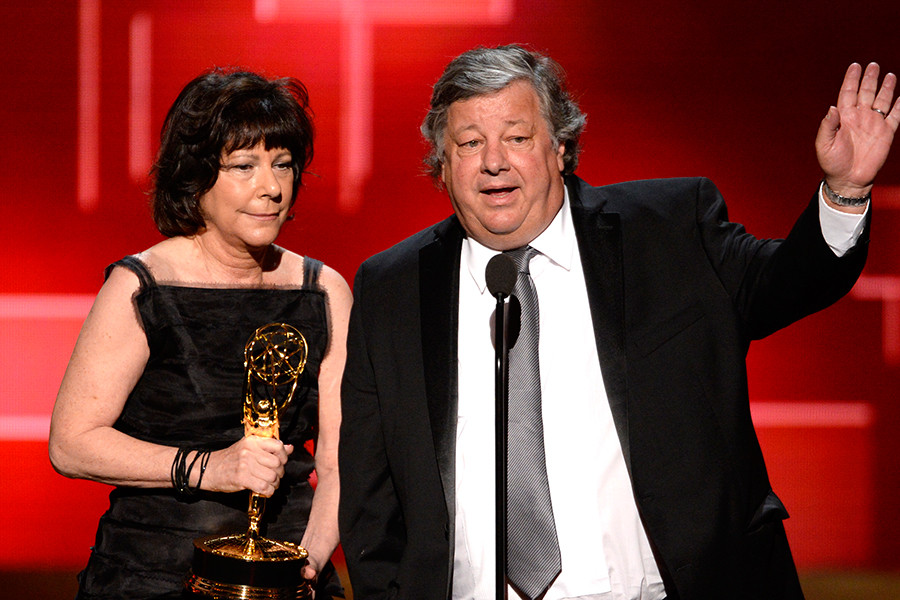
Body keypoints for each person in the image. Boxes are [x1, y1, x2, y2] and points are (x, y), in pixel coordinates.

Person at [337, 44, 898, 600]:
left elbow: (786, 283)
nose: (493, 162)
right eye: (469, 144)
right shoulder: (392, 288)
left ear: (559, 146)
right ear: (442, 164)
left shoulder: (671, 231)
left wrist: (844, 192)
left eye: (516, 136)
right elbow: (371, 499)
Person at [49, 68, 352, 599]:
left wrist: (310, 561)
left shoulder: (325, 291)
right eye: (244, 166)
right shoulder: (142, 286)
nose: (271, 187)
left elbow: (338, 458)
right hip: (154, 575)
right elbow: (72, 444)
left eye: (283, 164)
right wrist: (210, 468)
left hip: (287, 575)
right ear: (194, 178)